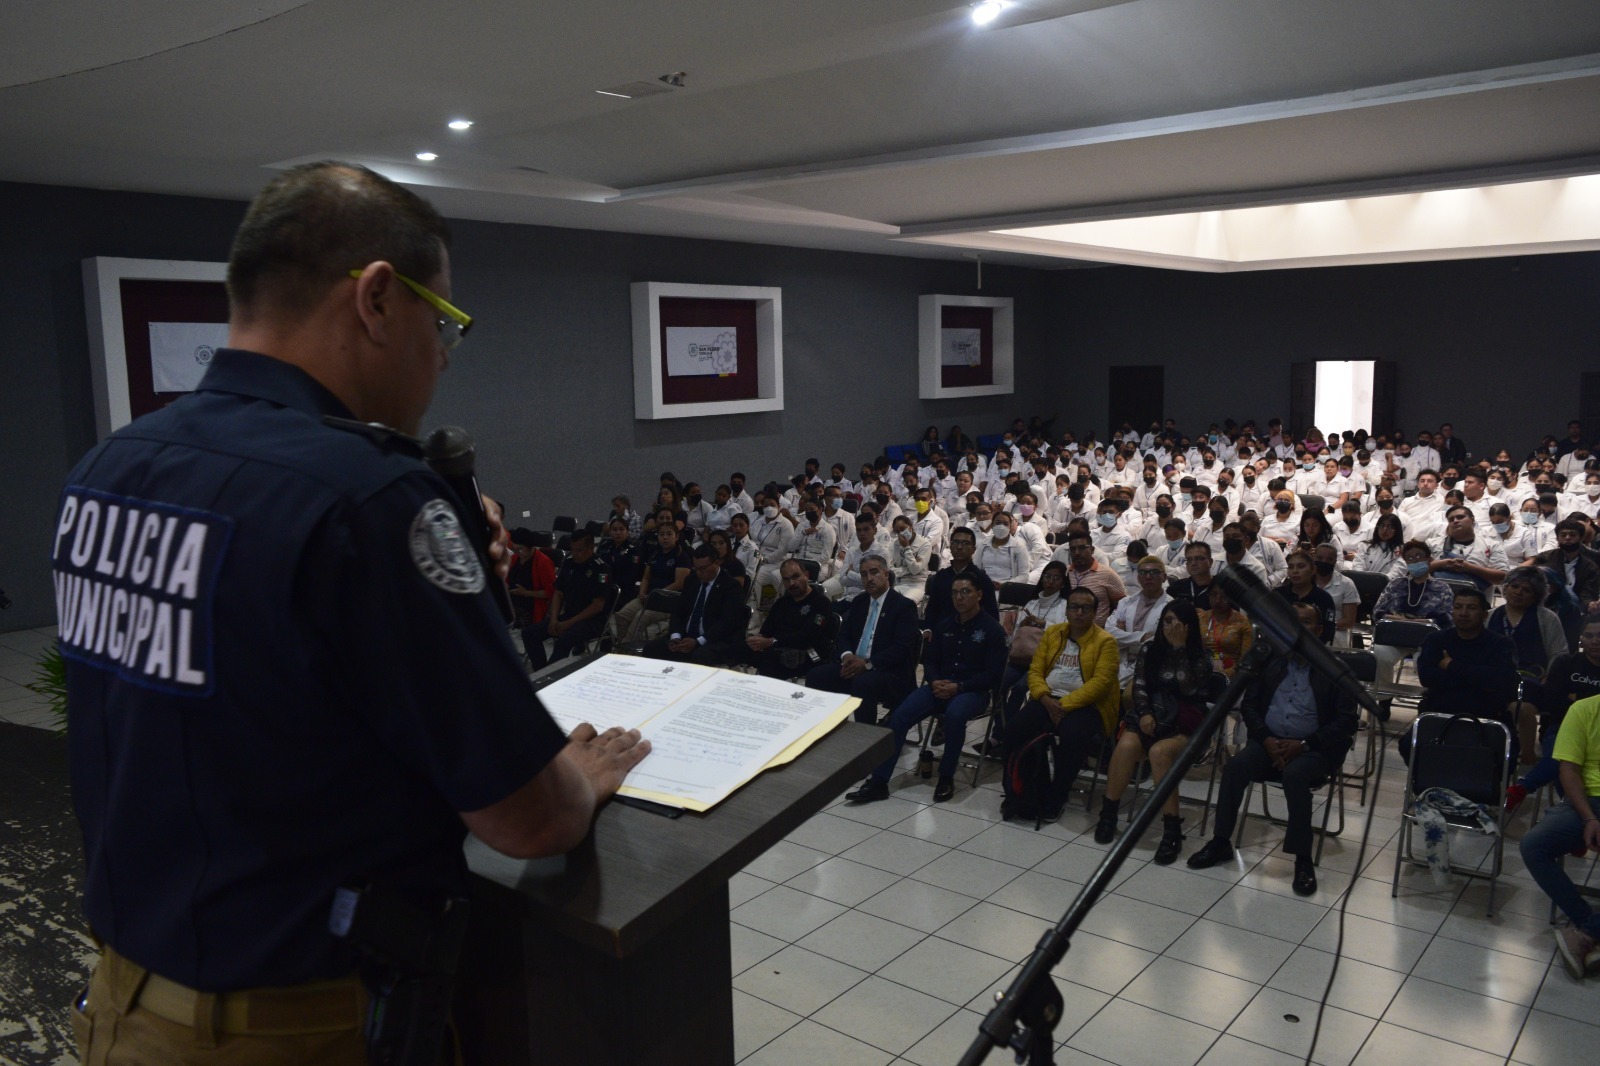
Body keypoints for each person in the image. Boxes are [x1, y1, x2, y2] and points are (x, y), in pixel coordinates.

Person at [54, 162, 649, 1065]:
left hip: (123, 1004)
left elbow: (251, 699)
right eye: (442, 321)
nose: (443, 355)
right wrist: (574, 777)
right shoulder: (366, 497)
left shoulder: (111, 467)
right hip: (292, 1026)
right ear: (377, 298)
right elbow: (528, 822)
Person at [1188, 604, 1358, 895]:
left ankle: (1302, 859)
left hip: (1315, 748)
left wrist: (1305, 744)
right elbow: (1251, 706)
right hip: (1269, 741)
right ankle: (1220, 841)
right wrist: (1265, 739)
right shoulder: (1270, 661)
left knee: (1295, 775)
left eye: (1304, 623)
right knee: (1235, 767)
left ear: (1317, 631)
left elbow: (1346, 722)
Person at [845, 574, 1008, 803]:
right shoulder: (945, 625)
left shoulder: (992, 630)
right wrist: (933, 681)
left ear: (979, 595)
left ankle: (946, 776)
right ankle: (879, 781)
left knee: (954, 715)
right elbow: (930, 661)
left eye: (965, 592)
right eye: (954, 593)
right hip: (939, 686)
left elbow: (993, 674)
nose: (959, 598)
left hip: (971, 691)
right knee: (899, 716)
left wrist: (959, 686)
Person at [1094, 601, 1215, 863]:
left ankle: (1172, 829)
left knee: (1160, 753)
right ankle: (1108, 813)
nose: (1170, 627)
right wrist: (1146, 712)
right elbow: (1139, 685)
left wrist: (1179, 649)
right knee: (1126, 746)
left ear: (1189, 627)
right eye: (1167, 621)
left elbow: (1190, 690)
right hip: (1153, 714)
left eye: (1177, 623)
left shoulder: (1201, 656)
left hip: (1186, 721)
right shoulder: (1150, 648)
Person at [1002, 587, 1122, 820]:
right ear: (1066, 611)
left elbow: (1100, 684)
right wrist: (1046, 699)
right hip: (1048, 699)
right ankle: (1018, 790)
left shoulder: (1105, 642)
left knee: (1071, 736)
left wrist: (1063, 705)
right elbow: (1036, 671)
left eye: (1085, 608)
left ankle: (1057, 796)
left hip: (1087, 705)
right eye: (1074, 607)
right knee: (1015, 729)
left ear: (1095, 613)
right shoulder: (1054, 633)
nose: (1078, 613)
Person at [1407, 586, 1521, 763]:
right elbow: (1428, 677)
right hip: (1441, 711)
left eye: (1471, 608)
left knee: (1506, 754)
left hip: (1487, 714)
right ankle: (1429, 789)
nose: (1463, 613)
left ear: (1484, 615)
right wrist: (1477, 678)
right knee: (1408, 745)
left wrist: (1451, 666)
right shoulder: (1436, 639)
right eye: (1458, 607)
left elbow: (1501, 681)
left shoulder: (1501, 644)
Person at [804, 554, 921, 725]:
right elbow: (844, 634)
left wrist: (867, 664)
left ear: (886, 574)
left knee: (863, 683)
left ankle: (865, 738)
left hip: (887, 670)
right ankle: (821, 727)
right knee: (816, 676)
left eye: (874, 572)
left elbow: (902, 648)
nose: (869, 578)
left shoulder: (903, 606)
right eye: (864, 574)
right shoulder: (859, 601)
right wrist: (847, 656)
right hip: (854, 663)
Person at [1507, 615, 1600, 812]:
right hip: (1561, 726)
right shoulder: (1566, 663)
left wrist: (1577, 698)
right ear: (1581, 639)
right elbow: (1553, 702)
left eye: (1599, 636)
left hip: (1596, 732)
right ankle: (1573, 810)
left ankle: (1526, 788)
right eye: (1589, 635)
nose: (1595, 641)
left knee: (1565, 757)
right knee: (1564, 754)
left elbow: (1568, 701)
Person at [642, 543, 747, 665]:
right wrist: (675, 637)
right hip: (687, 636)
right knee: (652, 648)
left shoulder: (731, 586)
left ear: (716, 563)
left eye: (703, 568)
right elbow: (679, 611)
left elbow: (727, 623)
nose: (699, 573)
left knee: (700, 656)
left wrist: (698, 641)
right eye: (696, 568)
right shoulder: (692, 580)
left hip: (715, 639)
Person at [522, 528, 611, 670]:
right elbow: (558, 593)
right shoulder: (569, 562)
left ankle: (549, 676)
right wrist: (553, 619)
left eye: (579, 550)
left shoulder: (600, 568)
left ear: (591, 549)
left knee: (564, 640)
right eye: (573, 549)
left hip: (593, 620)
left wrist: (569, 623)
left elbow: (597, 606)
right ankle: (542, 671)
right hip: (569, 615)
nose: (575, 554)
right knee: (529, 633)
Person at [1370, 540, 1455, 684]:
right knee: (1379, 655)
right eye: (1410, 557)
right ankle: (1384, 699)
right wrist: (1401, 621)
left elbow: (1447, 617)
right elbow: (1377, 612)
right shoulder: (1395, 584)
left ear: (1428, 560)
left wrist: (1418, 622)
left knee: (1429, 659)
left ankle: (1428, 697)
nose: (1414, 560)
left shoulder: (1442, 588)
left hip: (1427, 640)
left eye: (1419, 556)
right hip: (1394, 636)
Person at [741, 559, 838, 678]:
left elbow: (808, 637)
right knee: (738, 648)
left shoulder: (821, 603)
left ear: (806, 575)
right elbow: (767, 629)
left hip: (810, 652)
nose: (792, 583)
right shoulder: (782, 602)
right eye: (786, 579)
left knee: (770, 663)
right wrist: (758, 639)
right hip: (778, 648)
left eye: (796, 577)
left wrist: (772, 641)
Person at [610, 518, 691, 641]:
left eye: (669, 534)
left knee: (640, 617)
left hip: (669, 600)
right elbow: (646, 577)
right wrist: (642, 592)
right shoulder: (654, 554)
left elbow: (679, 584)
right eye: (661, 534)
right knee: (622, 615)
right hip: (648, 597)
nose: (665, 537)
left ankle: (626, 650)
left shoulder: (681, 556)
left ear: (676, 537)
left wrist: (655, 595)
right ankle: (623, 644)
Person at [1275, 550, 1337, 645]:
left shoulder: (1324, 598)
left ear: (1313, 570)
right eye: (1291, 567)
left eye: (1301, 566)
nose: (1295, 571)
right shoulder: (1277, 594)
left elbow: (1328, 631)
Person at [1199, 583, 1253, 677]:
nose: (1217, 600)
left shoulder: (1243, 623)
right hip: (1202, 673)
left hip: (1232, 675)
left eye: (1223, 596)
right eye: (1213, 594)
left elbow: (1245, 661)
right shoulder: (1199, 619)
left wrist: (1222, 675)